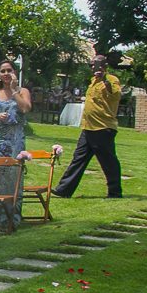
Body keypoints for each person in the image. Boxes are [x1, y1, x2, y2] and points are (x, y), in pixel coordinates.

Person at [52, 55, 123, 199]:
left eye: (96, 65)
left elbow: (115, 95)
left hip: (102, 128)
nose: (93, 68)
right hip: (88, 128)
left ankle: (115, 192)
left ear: (105, 65)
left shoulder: (111, 79)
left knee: (108, 161)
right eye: (91, 65)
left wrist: (105, 80)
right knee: (78, 159)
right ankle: (63, 190)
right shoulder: (93, 81)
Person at [0, 59, 31, 226]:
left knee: (13, 176)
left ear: (15, 72)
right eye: (3, 71)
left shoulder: (23, 91)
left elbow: (25, 109)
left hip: (16, 140)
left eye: (9, 70)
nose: (6, 74)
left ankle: (12, 215)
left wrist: (14, 91)